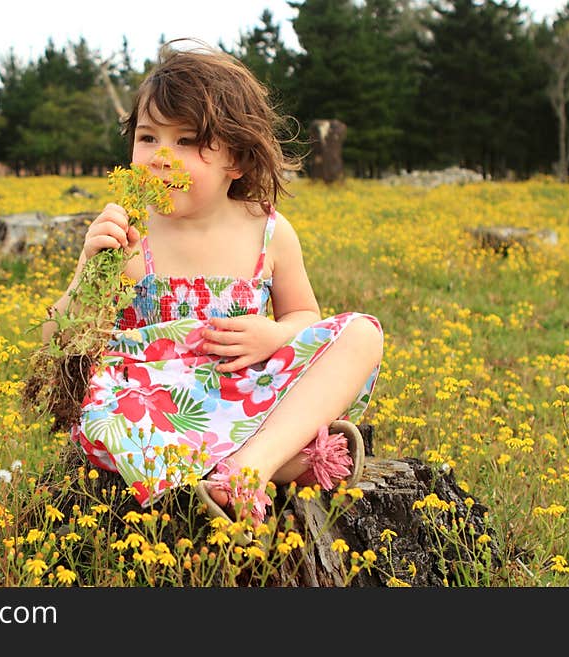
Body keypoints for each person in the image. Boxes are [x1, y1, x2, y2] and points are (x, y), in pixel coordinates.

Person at [42, 40, 383, 546]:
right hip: (155, 400)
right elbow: (57, 343)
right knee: (104, 410)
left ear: (238, 160)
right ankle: (284, 459)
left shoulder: (267, 229)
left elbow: (305, 314)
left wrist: (275, 334)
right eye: (147, 138)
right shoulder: (127, 234)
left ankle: (251, 463)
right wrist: (90, 269)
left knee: (361, 335)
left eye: (186, 142)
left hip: (241, 385)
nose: (161, 158)